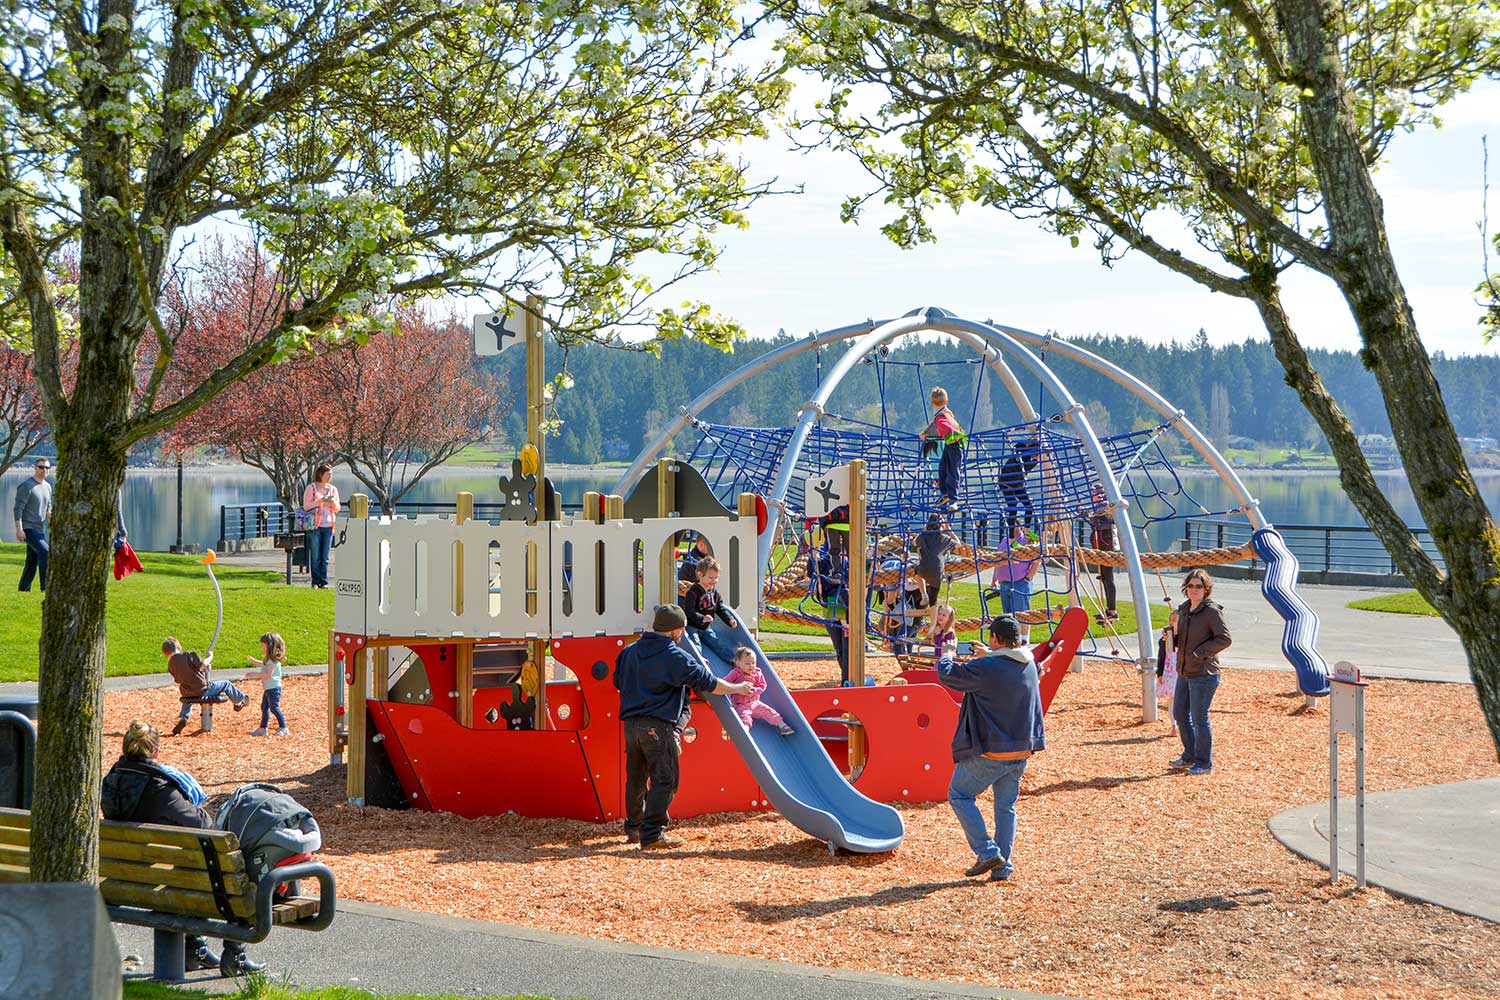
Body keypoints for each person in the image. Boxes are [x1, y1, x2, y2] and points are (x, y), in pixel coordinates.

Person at [102, 719, 266, 976]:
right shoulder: (159, 788)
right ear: (155, 752)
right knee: (231, 872)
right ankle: (235, 953)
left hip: (126, 883)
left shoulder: (110, 783)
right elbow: (203, 823)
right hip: (166, 886)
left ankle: (194, 948)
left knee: (186, 867)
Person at [613, 604, 753, 849]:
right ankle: (653, 834)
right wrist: (738, 688)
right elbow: (711, 684)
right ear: (675, 630)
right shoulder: (674, 655)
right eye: (682, 629)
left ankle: (635, 827)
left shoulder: (629, 652)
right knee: (666, 780)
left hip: (631, 724)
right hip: (658, 725)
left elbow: (617, 682)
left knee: (636, 777)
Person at [935, 615, 1043, 883]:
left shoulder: (988, 668)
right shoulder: (1029, 664)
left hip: (993, 751)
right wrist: (988, 655)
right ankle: (1002, 868)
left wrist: (947, 651)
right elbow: (1005, 667)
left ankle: (987, 852)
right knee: (1005, 807)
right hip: (1021, 749)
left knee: (959, 794)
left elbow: (947, 674)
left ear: (995, 639)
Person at [1170, 569, 1231, 775]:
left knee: (1199, 718)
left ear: (1206, 589)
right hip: (1185, 671)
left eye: (1198, 586)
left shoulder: (1211, 611)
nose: (1194, 590)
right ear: (1185, 589)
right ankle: (1190, 755)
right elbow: (1185, 639)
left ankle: (1204, 763)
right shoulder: (1184, 609)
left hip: (1205, 673)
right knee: (1179, 713)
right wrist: (1170, 637)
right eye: (1191, 586)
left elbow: (1224, 638)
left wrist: (1199, 653)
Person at [165, 637, 250, 736]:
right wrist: (210, 657)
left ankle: (183, 717)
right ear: (178, 647)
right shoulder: (189, 655)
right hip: (203, 690)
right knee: (226, 684)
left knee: (188, 696)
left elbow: (181, 677)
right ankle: (240, 701)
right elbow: (203, 665)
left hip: (186, 692)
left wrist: (203, 669)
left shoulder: (170, 665)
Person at [987, 524, 1040, 642]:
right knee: (1008, 615)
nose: (1012, 528)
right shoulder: (1005, 540)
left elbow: (1037, 561)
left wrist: (1028, 579)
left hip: (1020, 583)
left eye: (1015, 526)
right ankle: (1011, 640)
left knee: (1022, 614)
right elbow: (997, 561)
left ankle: (1024, 640)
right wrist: (994, 580)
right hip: (1004, 583)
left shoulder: (1027, 540)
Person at [809, 537, 851, 684]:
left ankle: (847, 678)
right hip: (831, 605)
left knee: (848, 647)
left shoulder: (849, 563)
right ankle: (846, 676)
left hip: (846, 607)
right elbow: (812, 572)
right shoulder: (825, 561)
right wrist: (813, 557)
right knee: (839, 648)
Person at [725, 647, 794, 735]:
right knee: (744, 716)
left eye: (753, 663)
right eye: (747, 663)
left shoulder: (757, 673)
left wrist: (755, 691)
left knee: (767, 711)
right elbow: (726, 682)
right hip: (740, 704)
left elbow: (762, 685)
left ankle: (782, 726)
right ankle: (745, 730)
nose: (751, 666)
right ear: (738, 663)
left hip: (754, 703)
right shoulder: (736, 673)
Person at [682, 557, 739, 664]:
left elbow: (720, 608)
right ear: (700, 575)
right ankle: (698, 660)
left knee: (716, 642)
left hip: (705, 627)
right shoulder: (693, 592)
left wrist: (729, 620)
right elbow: (689, 611)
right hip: (692, 626)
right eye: (711, 578)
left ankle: (733, 659)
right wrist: (702, 618)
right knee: (695, 642)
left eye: (716, 578)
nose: (714, 581)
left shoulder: (714, 593)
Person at [917, 387, 967, 507]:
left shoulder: (942, 417)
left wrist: (925, 435)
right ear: (947, 401)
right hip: (950, 445)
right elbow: (936, 426)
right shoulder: (945, 414)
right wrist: (925, 434)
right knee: (943, 468)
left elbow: (938, 427)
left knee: (953, 472)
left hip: (955, 445)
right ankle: (945, 494)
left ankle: (953, 499)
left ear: (932, 403)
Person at [13, 457, 52, 592]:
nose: (44, 470)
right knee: (46, 552)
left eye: (47, 467)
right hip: (28, 529)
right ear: (34, 468)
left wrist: (51, 516)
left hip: (40, 530)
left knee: (31, 561)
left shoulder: (47, 486)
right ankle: (45, 588)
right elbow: (18, 509)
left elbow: (48, 509)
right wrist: (19, 530)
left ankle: (23, 590)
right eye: (41, 467)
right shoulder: (26, 485)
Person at [301, 464, 341, 589]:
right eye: (328, 474)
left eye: (331, 474)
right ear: (320, 474)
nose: (330, 477)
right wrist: (321, 501)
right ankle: (315, 582)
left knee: (325, 556)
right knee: (315, 556)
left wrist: (332, 503)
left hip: (329, 526)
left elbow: (338, 508)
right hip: (315, 526)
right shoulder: (311, 488)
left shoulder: (333, 489)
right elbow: (306, 506)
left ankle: (323, 581)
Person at [244, 631, 290, 737]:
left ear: (270, 646)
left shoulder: (272, 661)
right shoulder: (269, 659)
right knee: (264, 707)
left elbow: (268, 674)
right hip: (268, 688)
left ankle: (284, 727)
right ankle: (263, 728)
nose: (262, 647)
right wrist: (253, 661)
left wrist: (255, 675)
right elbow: (263, 664)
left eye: (263, 645)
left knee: (274, 707)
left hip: (273, 688)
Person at [913, 513, 958, 608]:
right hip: (937, 570)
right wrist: (949, 531)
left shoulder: (923, 536)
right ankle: (933, 622)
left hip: (923, 569)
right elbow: (958, 544)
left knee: (916, 571)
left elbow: (914, 542)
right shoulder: (944, 539)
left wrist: (921, 533)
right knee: (934, 600)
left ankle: (924, 595)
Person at [1088, 489, 1119, 621]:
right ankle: (1108, 609)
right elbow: (1091, 516)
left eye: (1099, 493)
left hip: (1107, 544)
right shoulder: (1096, 508)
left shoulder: (1107, 506)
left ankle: (1112, 610)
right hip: (1100, 544)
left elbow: (1107, 514)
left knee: (1108, 577)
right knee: (1105, 577)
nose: (1097, 496)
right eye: (1095, 494)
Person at [999, 437, 1040, 532]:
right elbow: (1025, 466)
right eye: (1036, 453)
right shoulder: (1022, 453)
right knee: (1013, 507)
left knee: (1029, 506)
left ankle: (1027, 529)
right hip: (1007, 483)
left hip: (1017, 484)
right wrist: (1029, 443)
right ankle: (1011, 536)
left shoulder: (1027, 456)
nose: (1036, 455)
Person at [1155, 613, 1180, 738]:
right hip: (1169, 673)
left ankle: (1183, 724)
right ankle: (1173, 725)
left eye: (1175, 620)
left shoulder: (1185, 640)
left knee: (1184, 701)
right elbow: (1161, 656)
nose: (1172, 623)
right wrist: (1159, 673)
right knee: (1172, 700)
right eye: (1170, 620)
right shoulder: (1164, 640)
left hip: (1181, 673)